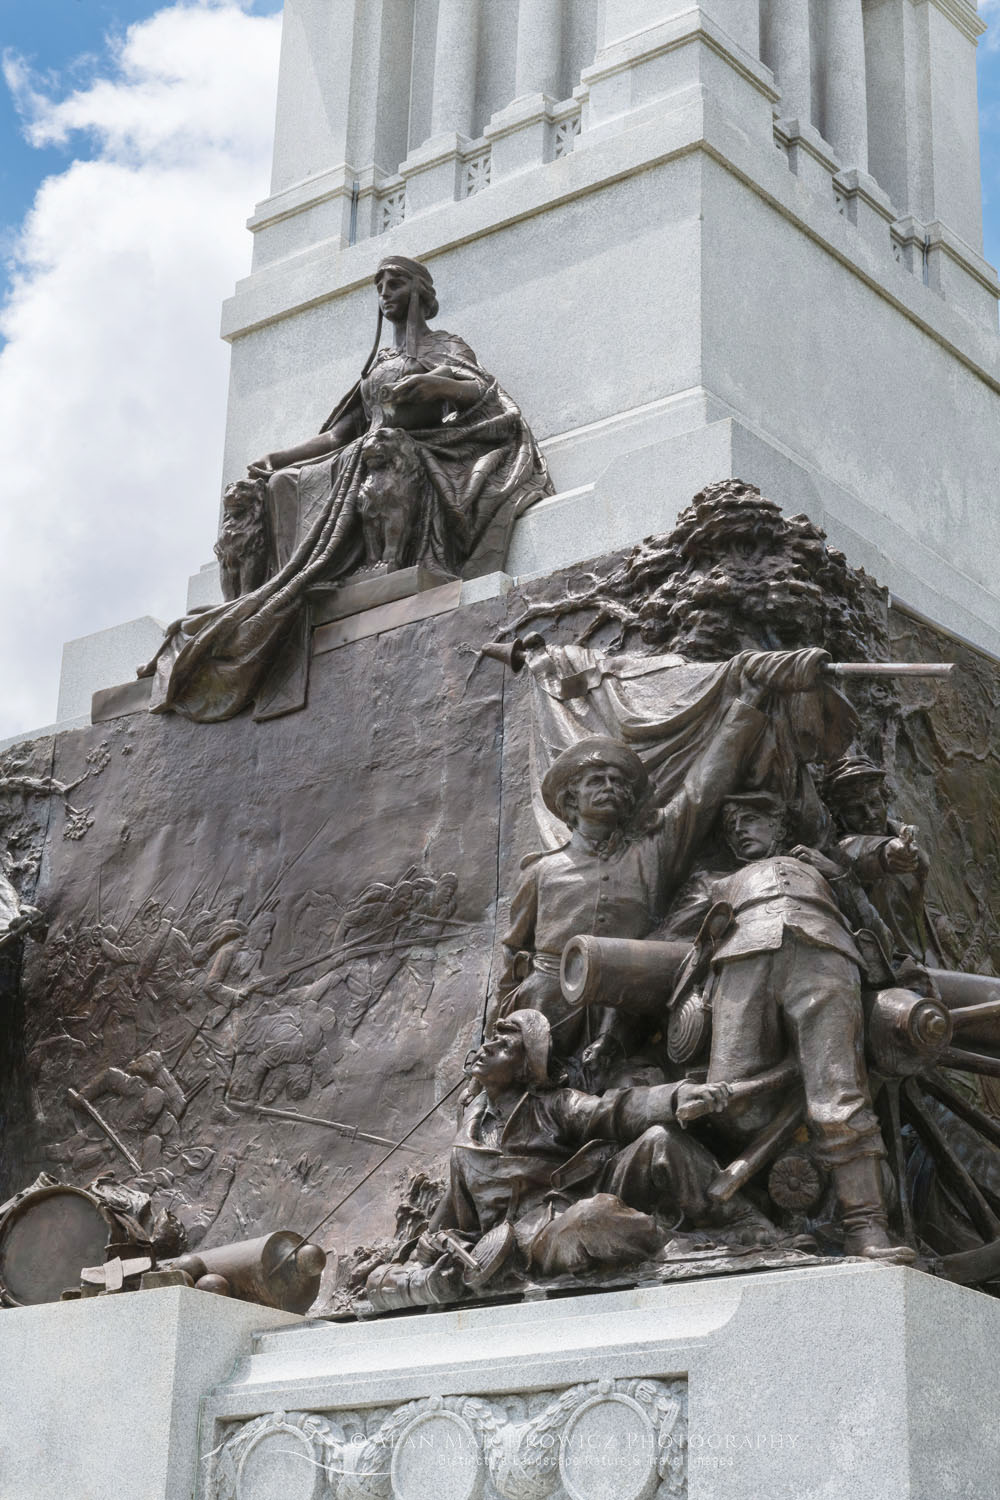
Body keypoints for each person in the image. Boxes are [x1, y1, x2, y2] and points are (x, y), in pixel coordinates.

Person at [500, 649, 830, 1070]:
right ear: (570, 800)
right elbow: (513, 955)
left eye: (619, 783)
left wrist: (748, 702)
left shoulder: (652, 852)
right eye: (596, 781)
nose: (610, 788)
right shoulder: (541, 870)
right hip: (547, 1007)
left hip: (628, 1010)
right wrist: (505, 1024)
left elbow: (702, 790)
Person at [364, 1010, 776, 1309]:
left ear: (526, 1067)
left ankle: (744, 1222)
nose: (486, 1047)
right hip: (527, 1245)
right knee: (591, 1220)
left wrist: (674, 1097)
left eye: (503, 1044)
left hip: (571, 1199)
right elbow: (450, 1218)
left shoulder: (553, 1104)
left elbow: (613, 1110)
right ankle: (674, 1242)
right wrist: (425, 1266)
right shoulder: (466, 1136)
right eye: (490, 1039)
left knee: (659, 1141)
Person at [671, 790, 915, 1263]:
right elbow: (675, 940)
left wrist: (839, 875)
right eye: (733, 825)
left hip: (825, 956)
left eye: (753, 820)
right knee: (735, 1103)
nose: (741, 830)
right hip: (741, 964)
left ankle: (866, 1228)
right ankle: (753, 1211)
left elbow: (870, 915)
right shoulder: (712, 881)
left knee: (841, 1093)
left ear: (780, 828)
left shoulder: (822, 867)